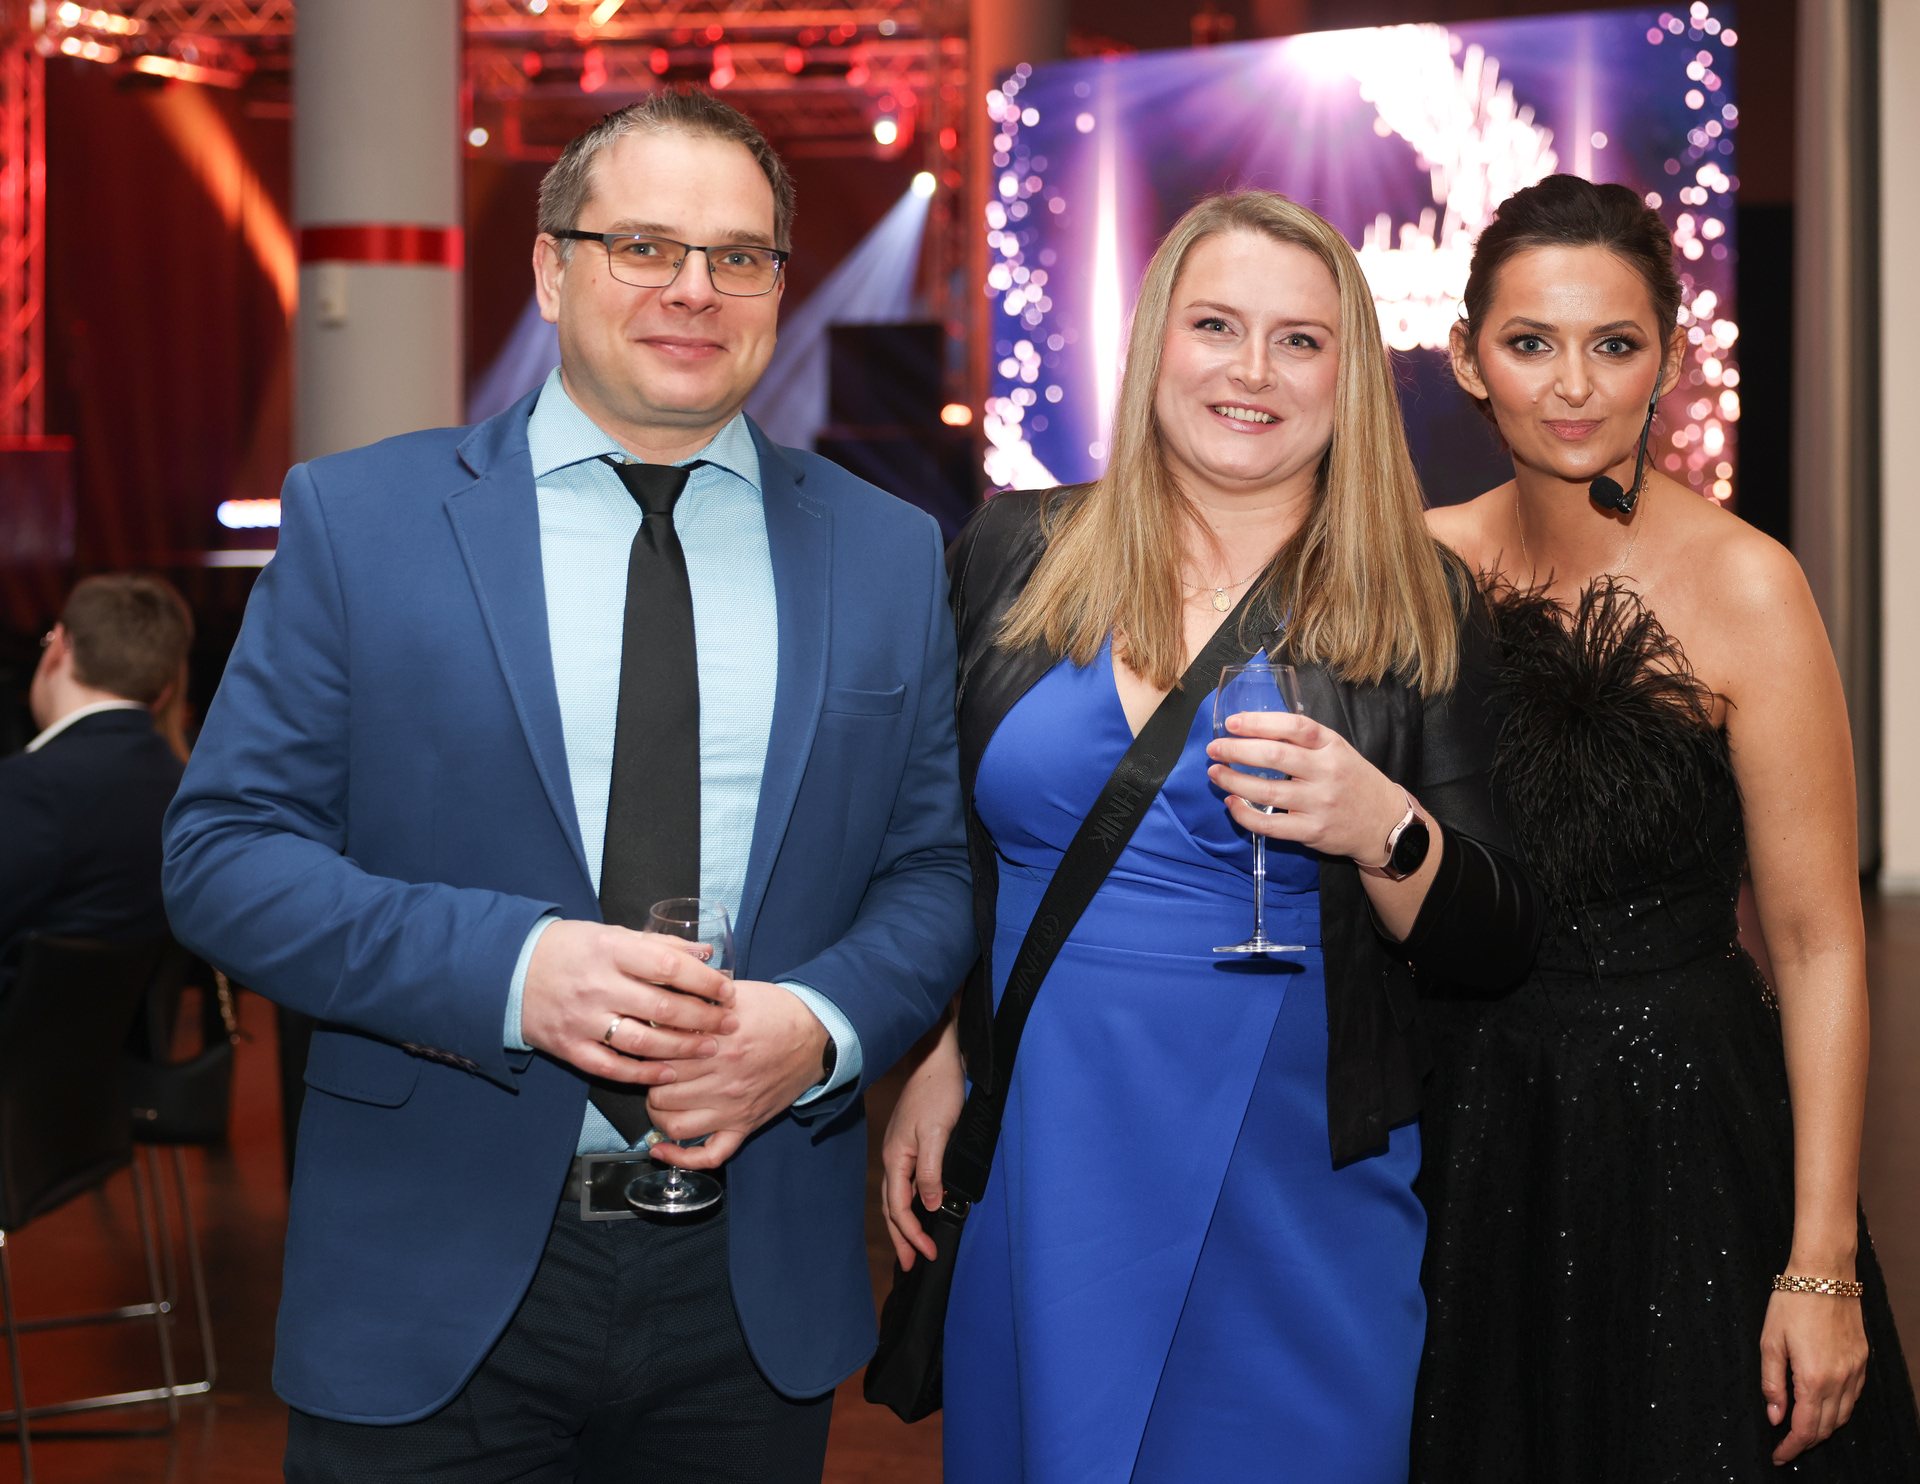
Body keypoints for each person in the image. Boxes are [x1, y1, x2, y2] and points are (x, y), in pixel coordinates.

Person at [163, 90, 974, 1483]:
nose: (693, 289)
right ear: (550, 269)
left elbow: (933, 868)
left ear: (780, 287)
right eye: (643, 245)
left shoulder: (889, 550)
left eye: (738, 255)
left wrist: (820, 1028)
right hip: (430, 1270)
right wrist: (515, 972)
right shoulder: (364, 521)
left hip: (749, 1286)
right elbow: (224, 855)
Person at [881, 190, 1540, 1483]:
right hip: (1048, 1145)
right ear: (1154, 345)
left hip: (1292, 1165)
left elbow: (1498, 939)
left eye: (1300, 340)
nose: (1253, 370)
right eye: (1216, 326)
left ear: (1349, 376)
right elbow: (946, 850)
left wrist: (1384, 828)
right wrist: (953, 1047)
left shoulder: (1419, 596)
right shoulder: (1015, 551)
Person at [1416, 173, 1920, 1480]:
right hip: (1468, 1127)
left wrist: (1819, 1265)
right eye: (1531, 342)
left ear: (1673, 360)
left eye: (1615, 343)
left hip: (1685, 1131)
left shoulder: (1747, 585)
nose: (1574, 385)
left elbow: (1817, 944)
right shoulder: (1418, 569)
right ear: (1468, 357)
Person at [0, 574, 193, 984]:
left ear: (58, 647)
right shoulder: (183, 785)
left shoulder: (29, 787)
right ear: (164, 689)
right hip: (113, 1027)